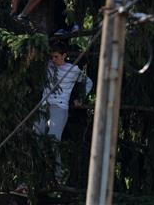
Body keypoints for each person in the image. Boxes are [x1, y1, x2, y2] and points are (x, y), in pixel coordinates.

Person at [10, 45, 93, 196]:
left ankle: (58, 176)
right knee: (35, 139)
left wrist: (80, 98)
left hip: (60, 108)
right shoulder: (48, 66)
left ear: (64, 55)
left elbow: (88, 83)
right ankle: (26, 181)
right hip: (43, 107)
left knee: (53, 139)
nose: (53, 60)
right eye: (52, 57)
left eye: (56, 57)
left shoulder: (73, 70)